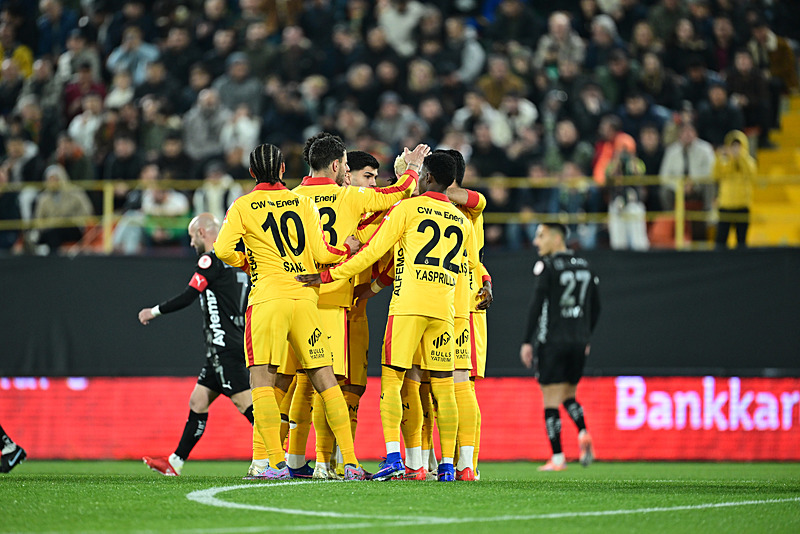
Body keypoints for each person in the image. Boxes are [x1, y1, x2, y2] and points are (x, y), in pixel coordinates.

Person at [297, 151, 476, 483]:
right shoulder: (462, 220)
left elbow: (372, 252)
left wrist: (329, 275)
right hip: (445, 312)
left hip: (408, 307)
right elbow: (471, 265)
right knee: (444, 388)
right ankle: (449, 467)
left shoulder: (407, 209)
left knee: (393, 382)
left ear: (428, 177)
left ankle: (397, 459)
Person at [213, 143, 367, 481]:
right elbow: (322, 254)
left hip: (268, 299)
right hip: (305, 299)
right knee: (325, 380)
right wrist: (346, 248)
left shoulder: (242, 205)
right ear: (283, 169)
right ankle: (351, 462)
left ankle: (274, 463)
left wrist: (246, 262)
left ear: (252, 172)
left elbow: (222, 249)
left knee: (262, 380)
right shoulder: (302, 202)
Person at [291, 134, 418, 479]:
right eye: (363, 173)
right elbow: (398, 195)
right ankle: (326, 462)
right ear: (339, 168)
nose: (370, 182)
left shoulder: (291, 198)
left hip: (297, 297)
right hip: (335, 301)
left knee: (300, 382)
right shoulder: (351, 199)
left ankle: (282, 461)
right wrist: (410, 170)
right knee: (327, 384)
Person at [138, 213, 254, 477]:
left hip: (223, 347)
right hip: (229, 344)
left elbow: (189, 295)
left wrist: (153, 311)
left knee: (246, 405)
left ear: (202, 233)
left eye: (192, 237)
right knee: (198, 401)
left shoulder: (210, 260)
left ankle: (280, 457)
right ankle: (175, 462)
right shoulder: (238, 260)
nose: (191, 243)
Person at [520, 223, 601, 471]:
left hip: (552, 341)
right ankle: (583, 431)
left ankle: (557, 458)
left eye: (541, 236)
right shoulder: (586, 265)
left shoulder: (548, 265)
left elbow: (536, 305)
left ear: (557, 239)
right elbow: (596, 306)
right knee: (568, 395)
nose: (536, 242)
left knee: (550, 399)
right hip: (578, 342)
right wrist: (586, 336)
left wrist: (527, 341)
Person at [713, 130, 756, 249]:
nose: (735, 149)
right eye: (733, 146)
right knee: (720, 240)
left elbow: (752, 175)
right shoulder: (725, 162)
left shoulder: (748, 161)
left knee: (741, 241)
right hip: (726, 205)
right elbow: (715, 175)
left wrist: (740, 157)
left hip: (743, 205)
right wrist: (719, 157)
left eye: (738, 146)